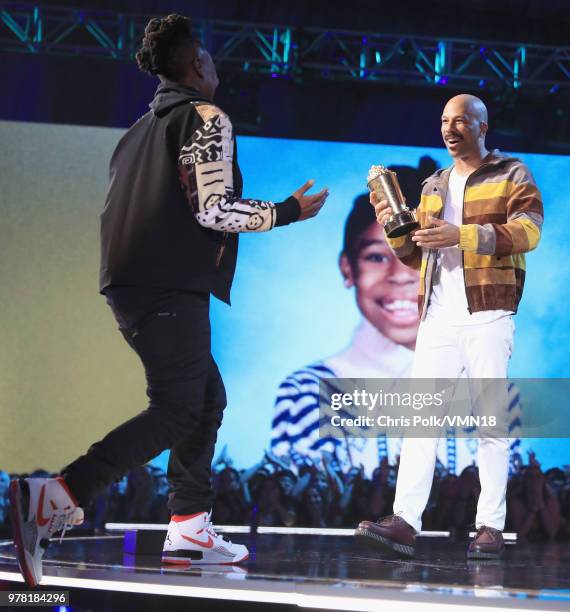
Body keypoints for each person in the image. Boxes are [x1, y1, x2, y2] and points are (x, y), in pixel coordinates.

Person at [9, 13, 328, 587]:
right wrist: (285, 212)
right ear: (196, 65)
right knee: (179, 407)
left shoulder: (138, 128)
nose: (214, 66)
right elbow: (213, 208)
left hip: (133, 283)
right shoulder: (206, 117)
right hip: (167, 285)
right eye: (208, 57)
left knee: (205, 397)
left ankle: (188, 527)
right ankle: (60, 493)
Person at [355, 94, 543, 559]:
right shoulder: (433, 185)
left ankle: (490, 526)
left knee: (490, 424)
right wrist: (393, 226)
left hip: (488, 312)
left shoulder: (511, 173)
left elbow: (529, 231)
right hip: (438, 313)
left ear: (483, 126)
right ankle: (405, 521)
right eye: (444, 120)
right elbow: (418, 255)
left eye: (461, 120)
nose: (450, 127)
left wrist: (459, 234)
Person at [271, 161, 430, 474]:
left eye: (418, 253)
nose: (400, 275)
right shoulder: (307, 391)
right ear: (348, 268)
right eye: (376, 257)